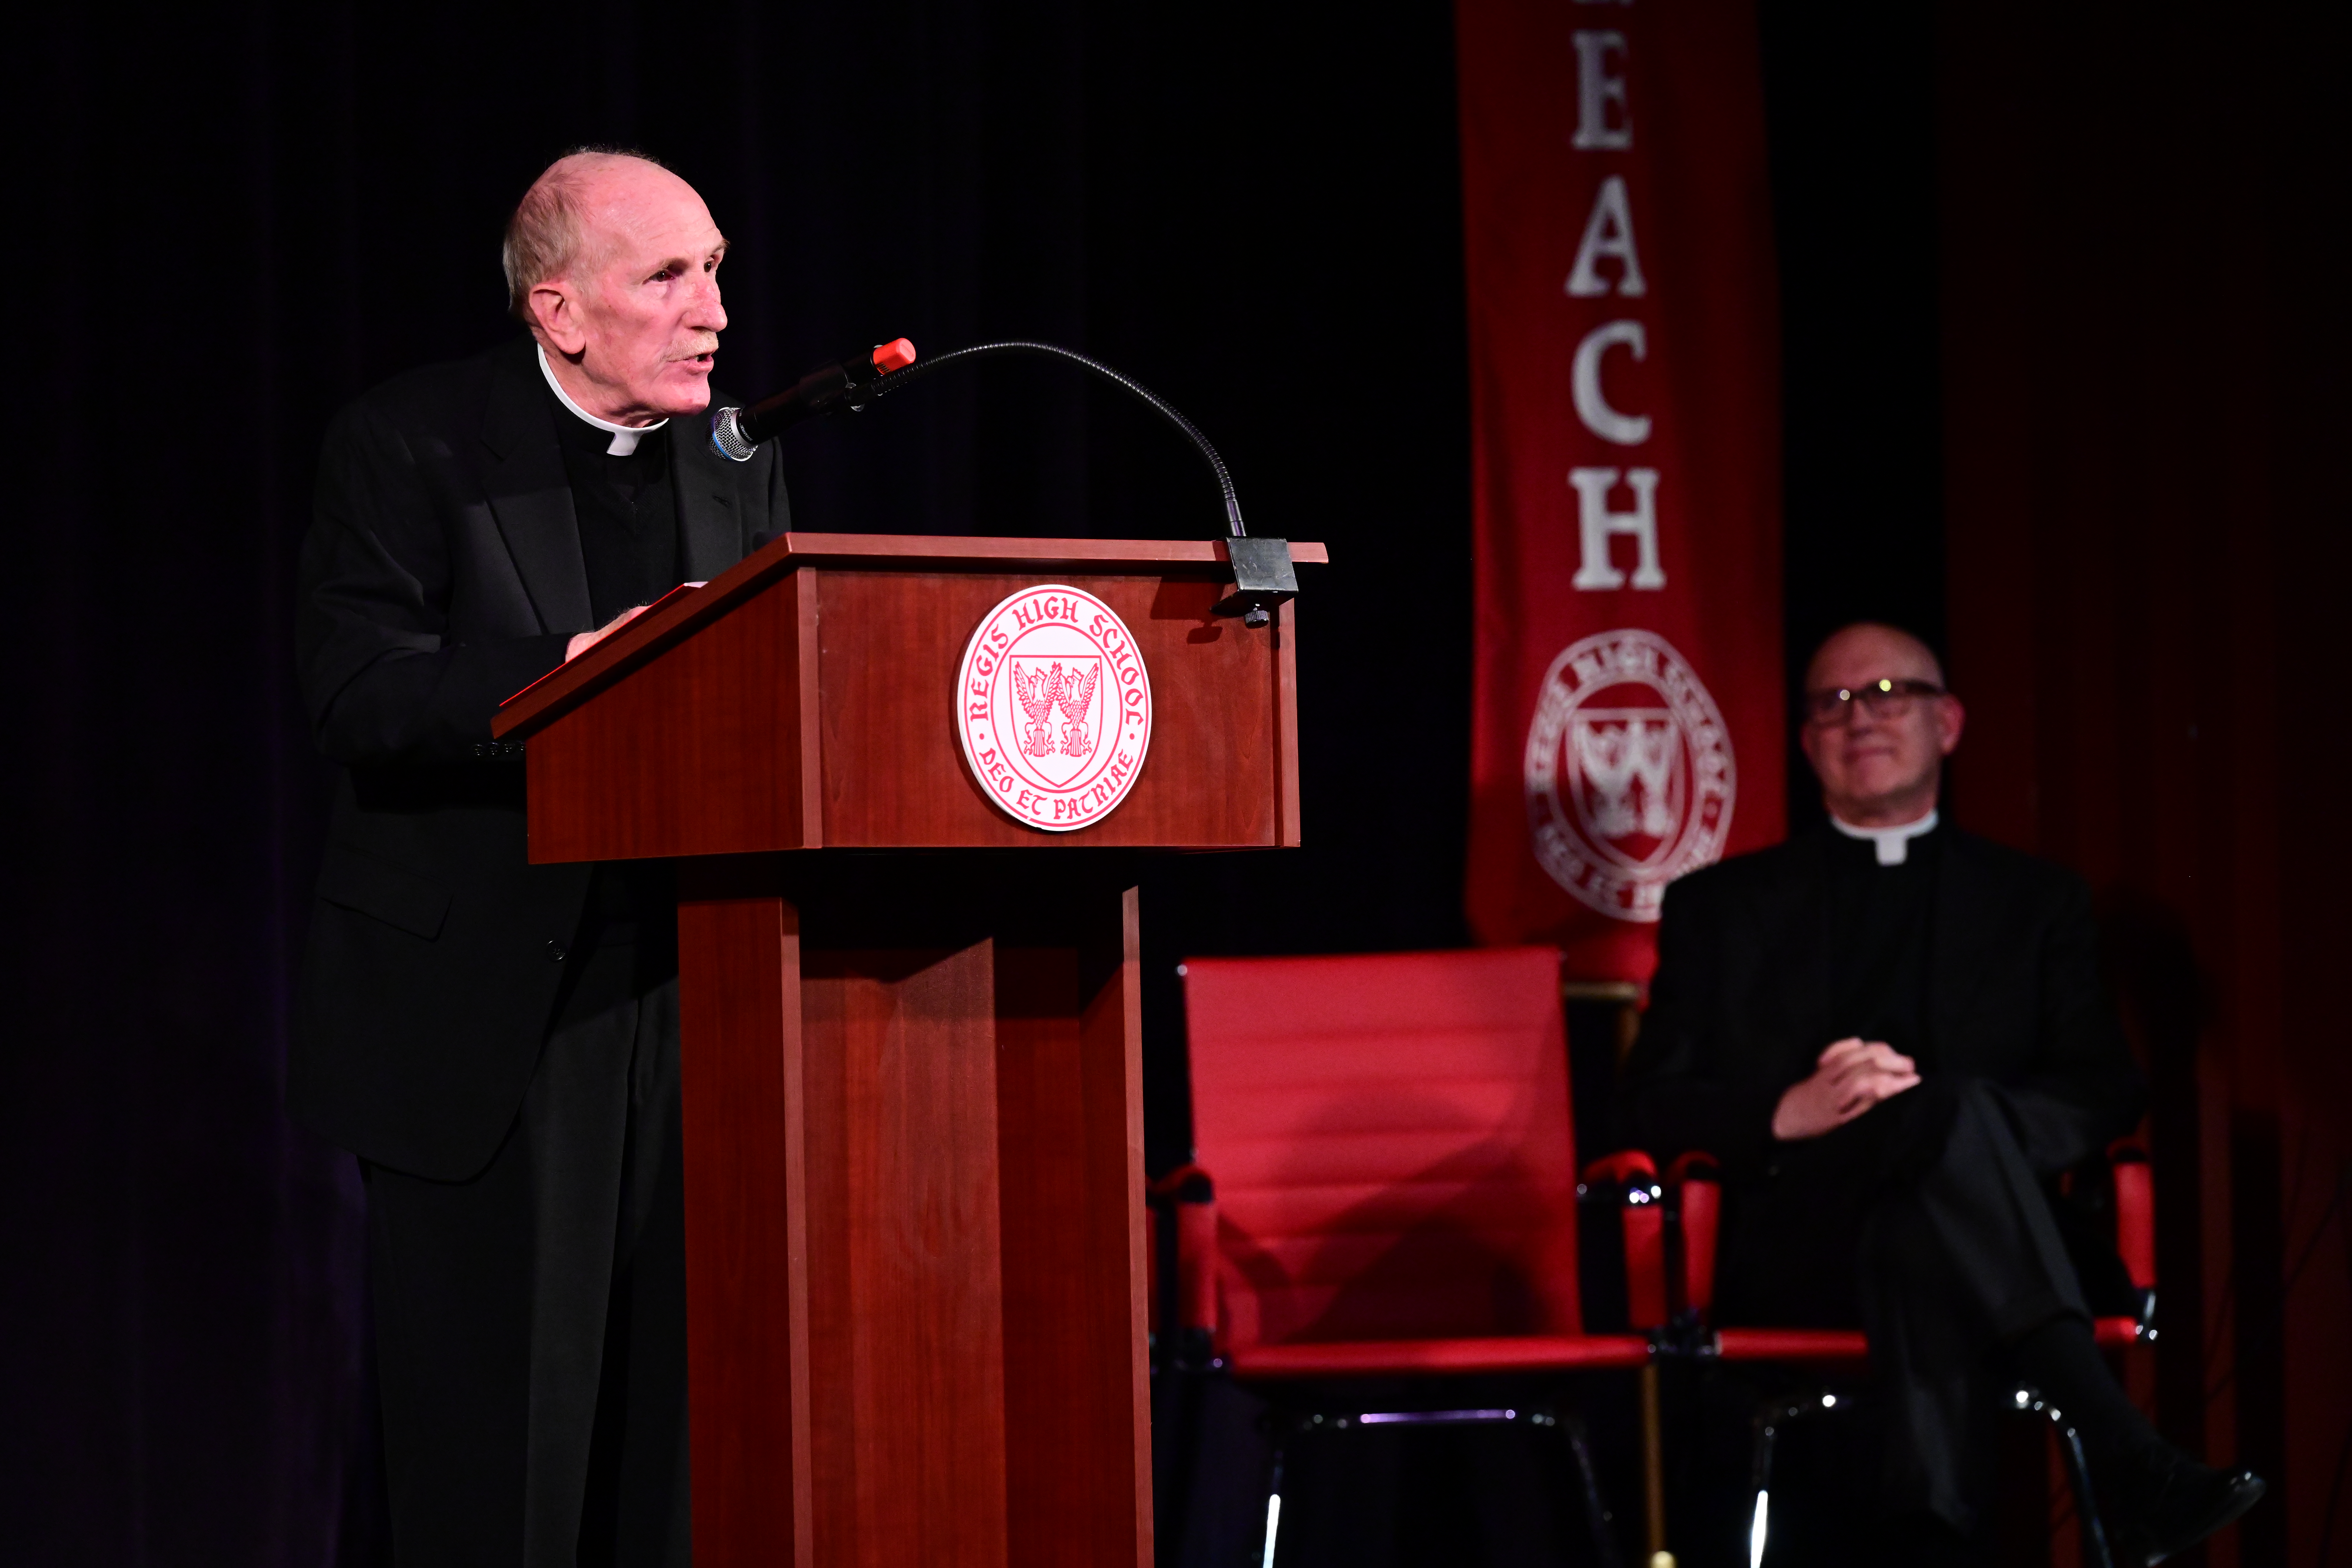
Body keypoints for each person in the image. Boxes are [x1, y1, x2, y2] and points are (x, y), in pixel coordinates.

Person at [289, 148, 788, 1565]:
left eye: (716, 271)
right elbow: (356, 689)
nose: (714, 312)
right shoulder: (414, 442)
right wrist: (568, 672)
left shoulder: (735, 457)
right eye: (670, 276)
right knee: (497, 1475)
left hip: (691, 1003)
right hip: (487, 1019)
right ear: (558, 310)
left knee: (673, 1467)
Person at [1618, 622, 2263, 1565]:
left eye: (1889, 695)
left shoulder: (2036, 902)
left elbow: (2101, 1090)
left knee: (1943, 1138)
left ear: (1949, 723)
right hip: (1807, 1244)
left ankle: (1928, 1530)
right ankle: (2121, 1449)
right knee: (1945, 1132)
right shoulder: (1720, 906)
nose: (1861, 719)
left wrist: (1972, 1131)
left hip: (1972, 1242)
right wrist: (1787, 1111)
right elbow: (1647, 1102)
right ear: (1806, 743)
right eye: (1834, 703)